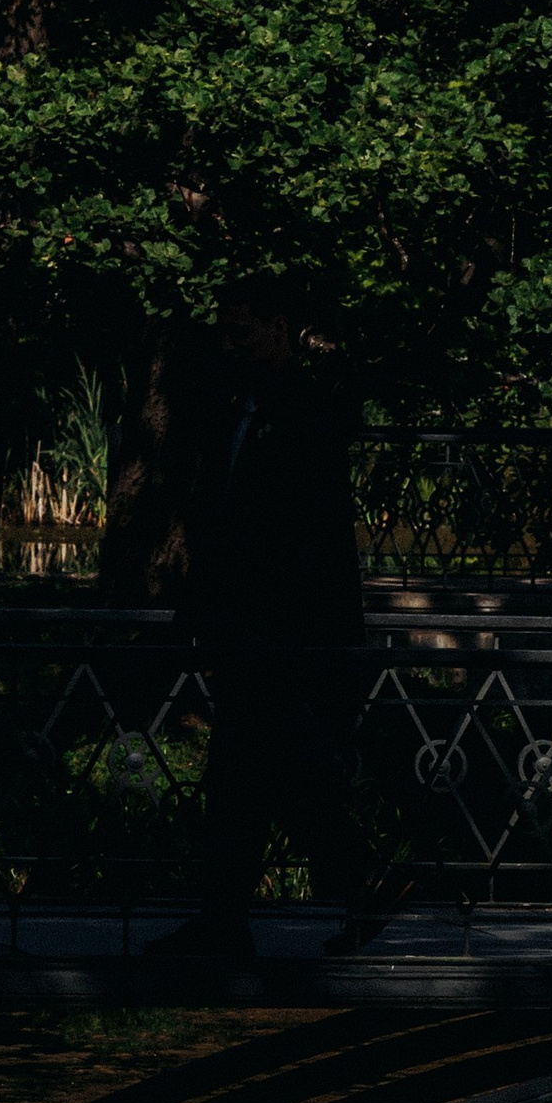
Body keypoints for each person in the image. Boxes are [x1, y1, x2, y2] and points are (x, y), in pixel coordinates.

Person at [103, 275, 371, 956]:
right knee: (253, 773)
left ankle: (338, 890)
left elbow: (311, 536)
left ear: (280, 327)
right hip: (245, 629)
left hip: (285, 634)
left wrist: (293, 629)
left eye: (241, 331)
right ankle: (264, 908)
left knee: (271, 770)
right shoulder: (236, 408)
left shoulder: (306, 411)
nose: (230, 345)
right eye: (225, 331)